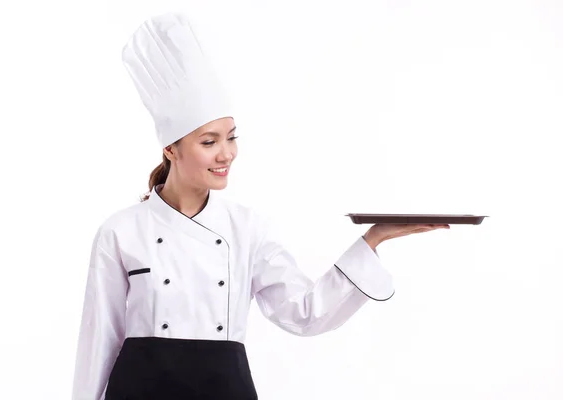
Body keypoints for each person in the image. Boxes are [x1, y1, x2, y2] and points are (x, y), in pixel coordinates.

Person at [71, 13, 449, 400]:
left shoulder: (247, 228)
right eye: (208, 142)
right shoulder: (121, 231)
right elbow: (99, 337)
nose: (226, 154)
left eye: (231, 137)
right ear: (171, 148)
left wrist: (373, 239)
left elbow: (304, 312)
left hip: (223, 388)